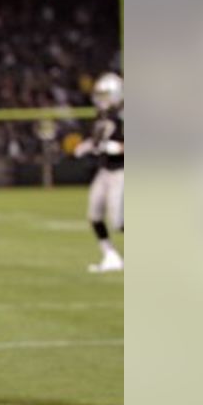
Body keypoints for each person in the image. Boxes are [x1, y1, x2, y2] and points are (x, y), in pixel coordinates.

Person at [77, 72, 125, 273]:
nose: (101, 99)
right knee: (94, 214)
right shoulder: (103, 116)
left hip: (121, 171)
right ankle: (110, 255)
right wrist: (87, 146)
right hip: (104, 170)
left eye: (105, 94)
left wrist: (112, 147)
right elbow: (97, 140)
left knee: (118, 222)